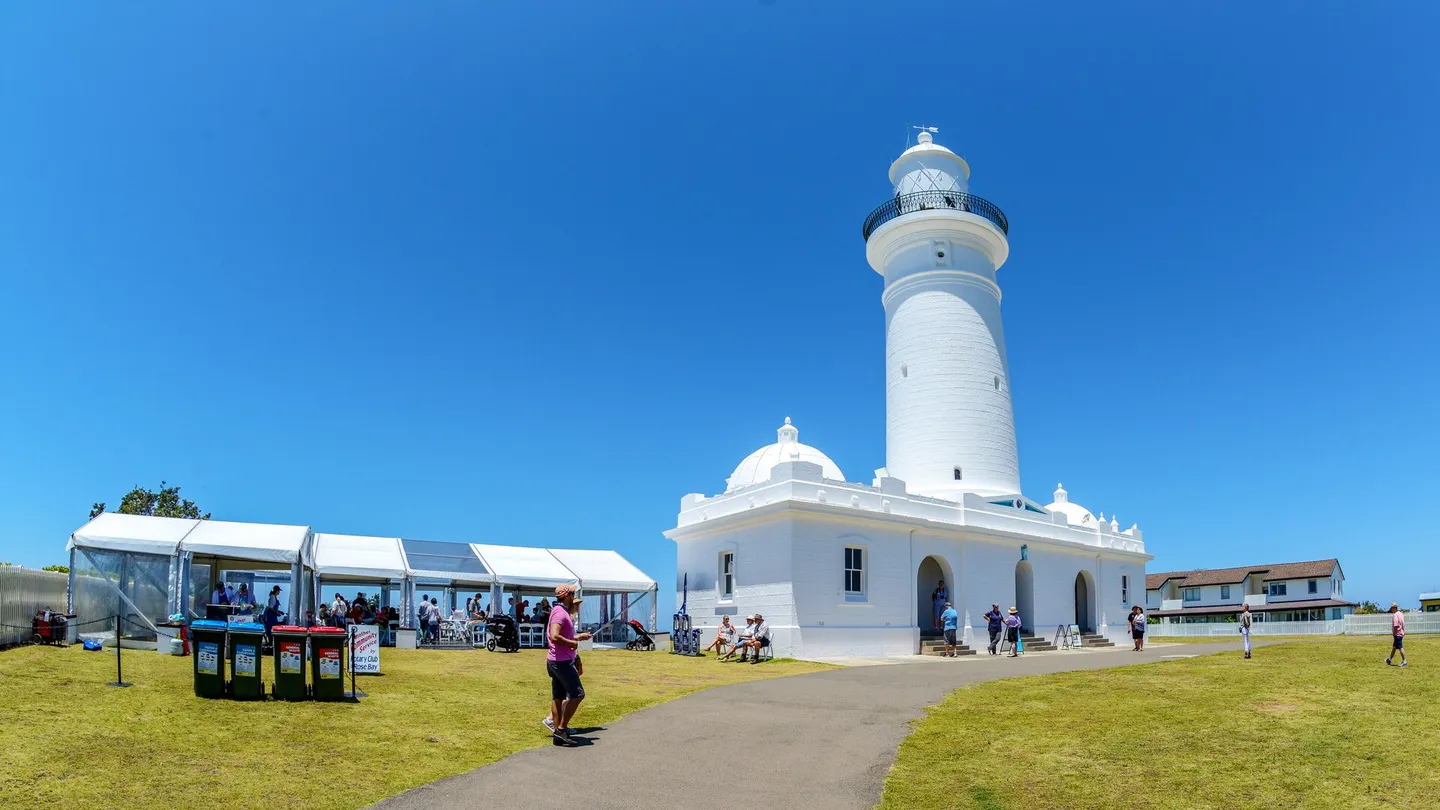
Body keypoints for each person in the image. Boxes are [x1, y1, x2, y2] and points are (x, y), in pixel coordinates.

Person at [544, 585, 591, 747]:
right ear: (566, 596)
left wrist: (579, 637)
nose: (574, 596)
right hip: (561, 661)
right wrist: (572, 642)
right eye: (572, 594)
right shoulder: (559, 612)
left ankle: (559, 733)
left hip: (556, 660)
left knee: (558, 697)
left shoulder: (560, 611)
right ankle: (561, 729)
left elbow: (562, 635)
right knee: (578, 694)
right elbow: (554, 635)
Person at [1387, 602, 1407, 667]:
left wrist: (1394, 633)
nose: (1391, 610)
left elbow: (1395, 625)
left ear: (1394, 608)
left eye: (1392, 608)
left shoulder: (1395, 615)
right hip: (1401, 633)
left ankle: (1404, 661)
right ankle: (1389, 659)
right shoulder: (1401, 614)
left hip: (1397, 634)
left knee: (1400, 648)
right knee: (1394, 647)